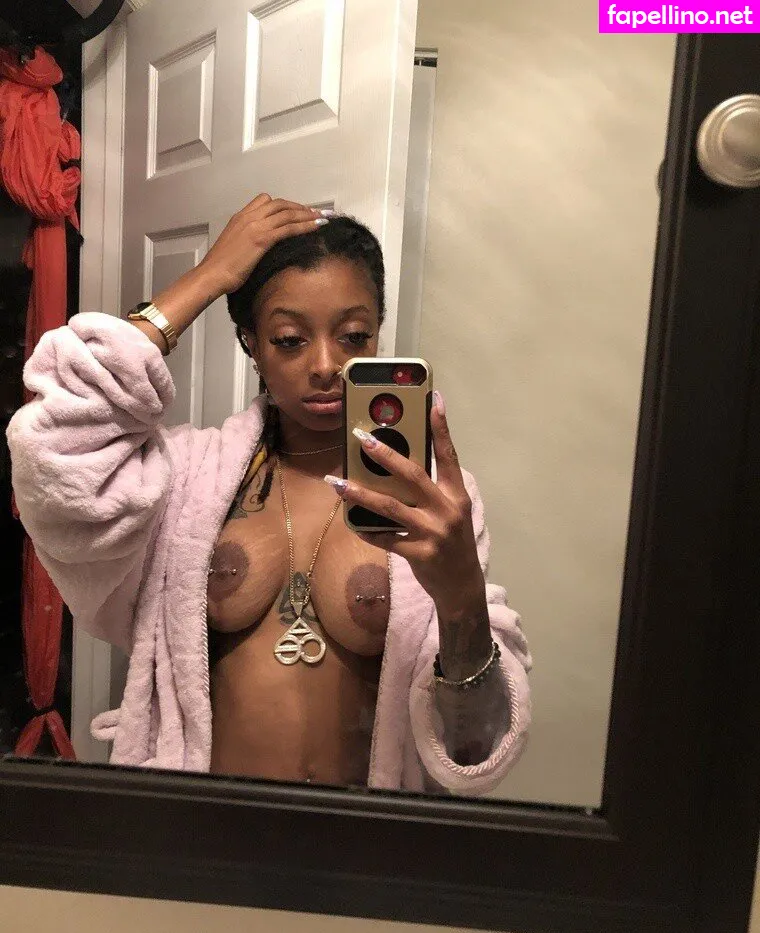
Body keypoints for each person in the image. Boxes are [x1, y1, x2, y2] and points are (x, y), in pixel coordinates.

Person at [7, 194, 531, 794]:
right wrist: (208, 277)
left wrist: (462, 599)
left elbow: (474, 745)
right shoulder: (189, 476)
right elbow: (54, 451)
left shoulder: (429, 502)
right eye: (289, 339)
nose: (327, 365)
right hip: (200, 831)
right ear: (250, 343)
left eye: (354, 335)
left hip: (365, 838)